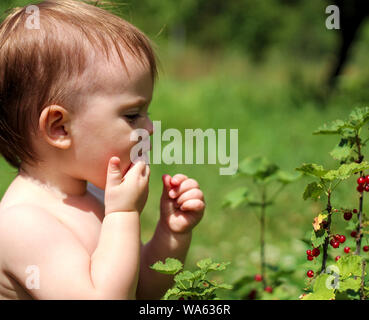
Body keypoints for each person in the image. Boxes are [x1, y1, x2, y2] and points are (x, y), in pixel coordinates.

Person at [0, 0, 205, 299]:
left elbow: (143, 292)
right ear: (59, 128)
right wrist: (122, 214)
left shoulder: (95, 196)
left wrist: (171, 234)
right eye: (133, 115)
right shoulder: (23, 223)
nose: (150, 128)